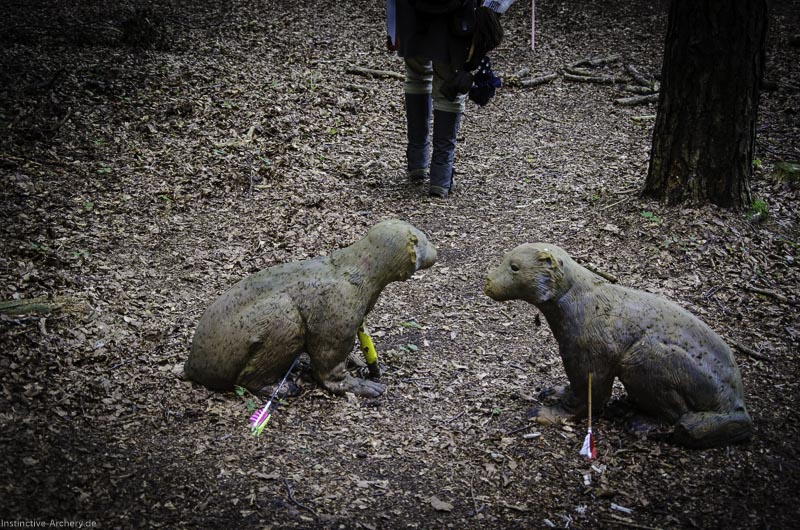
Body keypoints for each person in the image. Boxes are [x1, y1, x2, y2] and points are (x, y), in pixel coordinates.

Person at [388, 1, 476, 198]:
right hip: (454, 14)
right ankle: (441, 176)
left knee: (417, 75)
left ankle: (417, 162)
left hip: (411, 10)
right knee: (449, 86)